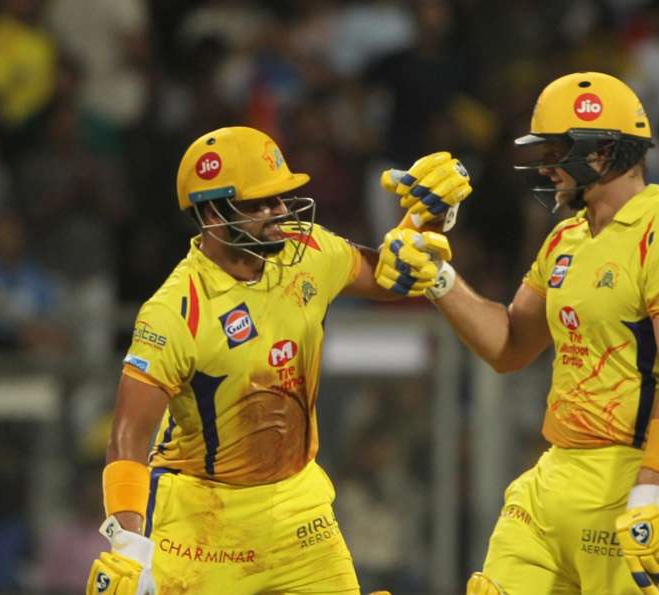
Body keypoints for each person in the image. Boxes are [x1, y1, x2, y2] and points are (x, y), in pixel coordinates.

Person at [86, 126, 468, 594]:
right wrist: (127, 545)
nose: (278, 214)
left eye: (281, 199)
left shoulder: (308, 250)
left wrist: (425, 220)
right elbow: (127, 437)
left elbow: (392, 274)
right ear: (211, 212)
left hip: (297, 507)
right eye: (258, 205)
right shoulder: (174, 310)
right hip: (202, 519)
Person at [384, 72, 659, 594]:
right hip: (555, 475)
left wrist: (652, 492)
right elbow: (510, 346)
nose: (547, 167)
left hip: (634, 476)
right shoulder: (566, 238)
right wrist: (439, 279)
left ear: (604, 151)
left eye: (559, 151)